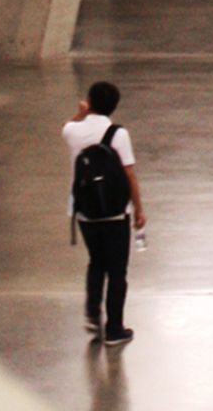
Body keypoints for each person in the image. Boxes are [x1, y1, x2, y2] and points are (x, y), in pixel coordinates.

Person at [63, 82, 146, 346]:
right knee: (117, 270)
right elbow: (129, 174)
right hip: (115, 213)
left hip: (85, 213)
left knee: (96, 262)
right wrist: (139, 210)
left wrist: (81, 113)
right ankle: (115, 329)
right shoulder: (118, 135)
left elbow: (68, 126)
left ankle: (92, 313)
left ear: (89, 101)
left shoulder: (73, 131)